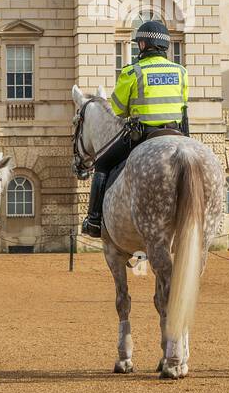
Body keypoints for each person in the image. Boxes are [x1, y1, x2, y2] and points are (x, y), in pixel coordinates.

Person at [80, 19, 188, 237]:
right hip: (178, 133)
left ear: (143, 45)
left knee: (102, 165)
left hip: (143, 136)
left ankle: (93, 220)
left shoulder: (132, 72)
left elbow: (118, 110)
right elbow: (183, 102)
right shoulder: (180, 71)